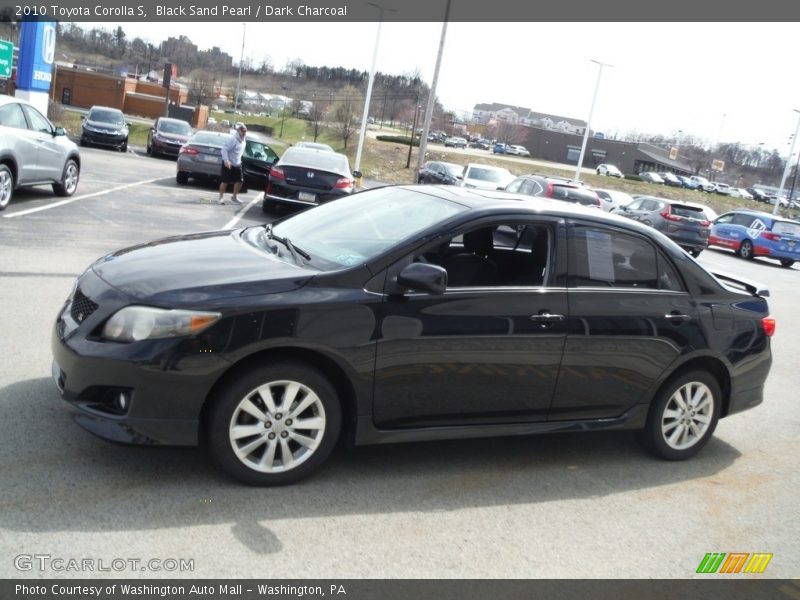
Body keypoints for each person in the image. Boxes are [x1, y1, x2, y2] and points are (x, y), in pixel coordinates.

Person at [218, 124, 247, 205]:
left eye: (245, 131)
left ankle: (234, 197)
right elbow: (224, 150)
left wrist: (239, 161)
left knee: (240, 181)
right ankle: (220, 198)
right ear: (238, 131)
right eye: (242, 131)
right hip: (228, 163)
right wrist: (226, 160)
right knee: (225, 181)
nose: (244, 133)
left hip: (237, 164)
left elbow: (239, 153)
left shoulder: (244, 140)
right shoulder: (233, 139)